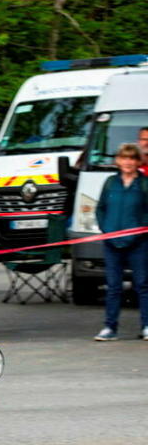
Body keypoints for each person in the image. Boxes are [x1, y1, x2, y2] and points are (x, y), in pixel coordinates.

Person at [93, 143, 148, 341]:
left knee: (142, 285)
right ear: (117, 160)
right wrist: (105, 229)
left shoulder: (144, 184)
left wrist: (139, 230)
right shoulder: (110, 183)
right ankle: (109, 328)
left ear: (138, 162)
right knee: (113, 286)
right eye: (124, 158)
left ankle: (146, 326)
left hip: (138, 243)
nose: (128, 162)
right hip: (111, 243)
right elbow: (100, 208)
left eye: (132, 158)